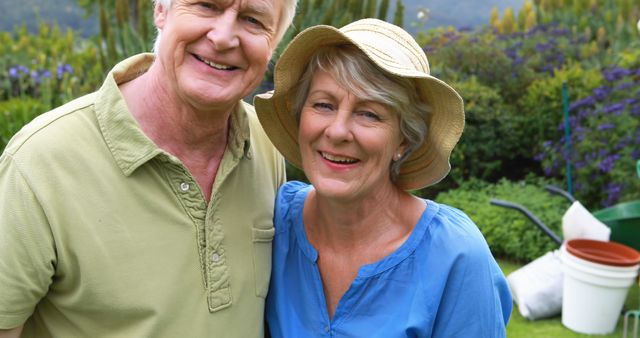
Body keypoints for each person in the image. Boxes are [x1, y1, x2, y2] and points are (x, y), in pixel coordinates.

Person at [0, 0, 297, 337]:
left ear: (275, 43)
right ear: (160, 10)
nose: (224, 37)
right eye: (207, 6)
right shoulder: (40, 161)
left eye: (253, 20)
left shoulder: (265, 144)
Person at [255, 18, 512, 337]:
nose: (337, 131)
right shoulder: (275, 222)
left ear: (403, 140)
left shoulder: (456, 256)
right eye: (323, 104)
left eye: (369, 113)